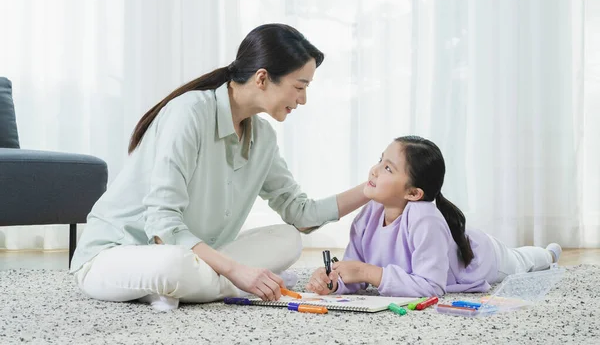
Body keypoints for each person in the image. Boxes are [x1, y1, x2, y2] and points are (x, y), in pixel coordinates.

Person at [71, 23, 369, 311]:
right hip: (119, 253)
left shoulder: (262, 138)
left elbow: (300, 215)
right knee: (172, 264)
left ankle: (182, 290)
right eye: (299, 86)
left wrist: (370, 189)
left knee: (288, 239)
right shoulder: (189, 113)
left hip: (195, 257)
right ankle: (224, 286)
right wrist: (238, 273)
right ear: (262, 78)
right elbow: (163, 226)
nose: (302, 99)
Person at [306, 136, 562, 297]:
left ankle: (548, 254)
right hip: (455, 248)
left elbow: (431, 287)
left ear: (414, 193)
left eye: (387, 168)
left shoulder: (425, 220)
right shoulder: (369, 213)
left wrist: (367, 272)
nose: (374, 170)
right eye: (380, 160)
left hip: (483, 258)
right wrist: (334, 281)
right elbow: (354, 270)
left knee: (521, 261)